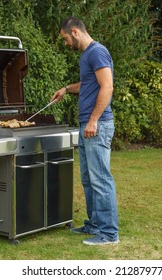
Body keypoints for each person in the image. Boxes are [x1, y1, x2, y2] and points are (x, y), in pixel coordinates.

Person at [51, 16, 119, 245]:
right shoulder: (87, 55)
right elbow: (90, 85)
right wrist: (67, 89)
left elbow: (107, 86)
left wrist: (93, 121)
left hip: (96, 125)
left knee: (101, 179)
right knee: (89, 180)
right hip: (87, 124)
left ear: (75, 32)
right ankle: (95, 225)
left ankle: (109, 234)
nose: (66, 43)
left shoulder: (97, 52)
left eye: (66, 39)